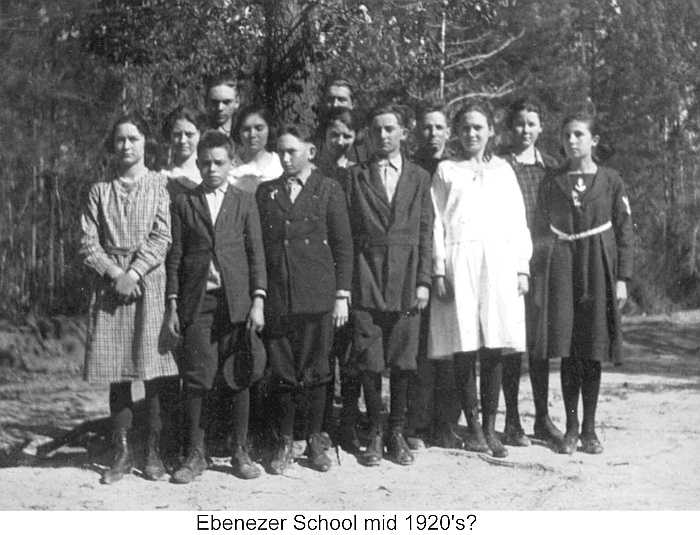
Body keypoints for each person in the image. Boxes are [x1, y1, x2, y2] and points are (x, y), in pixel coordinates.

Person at [430, 99, 532, 459]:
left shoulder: (504, 170)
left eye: (479, 127)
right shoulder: (446, 171)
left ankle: (490, 426)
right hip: (461, 260)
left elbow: (518, 221)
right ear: (457, 133)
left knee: (494, 344)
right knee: (465, 343)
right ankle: (472, 426)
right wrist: (439, 268)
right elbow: (437, 223)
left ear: (491, 131)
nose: (472, 133)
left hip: (499, 263)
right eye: (466, 128)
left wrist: (522, 267)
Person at [80, 113, 178, 484]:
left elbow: (162, 237)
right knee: (118, 375)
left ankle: (153, 451)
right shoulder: (99, 191)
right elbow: (87, 242)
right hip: (111, 289)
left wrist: (135, 272)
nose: (126, 146)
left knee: (151, 372)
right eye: (120, 139)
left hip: (149, 283)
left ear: (144, 143)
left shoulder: (159, 185)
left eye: (133, 139)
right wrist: (115, 274)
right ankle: (122, 452)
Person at [165, 130, 267, 483]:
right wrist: (173, 304)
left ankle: (240, 451)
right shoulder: (184, 202)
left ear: (232, 163)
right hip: (198, 302)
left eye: (219, 162)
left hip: (236, 302)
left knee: (238, 376)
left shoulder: (244, 201)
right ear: (197, 163)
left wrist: (258, 299)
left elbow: (256, 253)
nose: (211, 169)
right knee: (196, 377)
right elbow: (176, 256)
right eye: (205, 162)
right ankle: (195, 454)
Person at [256, 125, 353, 474]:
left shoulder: (328, 189)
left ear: (310, 152)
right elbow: (262, 250)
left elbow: (343, 245)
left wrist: (342, 294)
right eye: (280, 152)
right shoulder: (266, 192)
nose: (285, 158)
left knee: (317, 370)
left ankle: (314, 438)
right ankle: (284, 440)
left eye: (292, 152)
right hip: (281, 297)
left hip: (318, 295)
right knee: (282, 370)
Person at [534, 109, 632, 455]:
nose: (572, 141)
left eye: (579, 135)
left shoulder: (610, 180)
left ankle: (590, 428)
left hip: (598, 267)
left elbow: (624, 232)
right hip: (562, 268)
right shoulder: (552, 181)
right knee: (568, 350)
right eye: (566, 136)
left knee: (592, 349)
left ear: (594, 140)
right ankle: (571, 428)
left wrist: (622, 278)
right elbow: (539, 230)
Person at [345, 104, 433, 467]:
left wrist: (424, 281)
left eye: (390, 129)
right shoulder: (354, 176)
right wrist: (346, 285)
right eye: (377, 129)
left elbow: (427, 232)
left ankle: (397, 432)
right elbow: (347, 235)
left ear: (403, 133)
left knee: (402, 361)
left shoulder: (419, 176)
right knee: (369, 359)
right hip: (366, 275)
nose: (383, 136)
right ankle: (375, 432)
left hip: (407, 276)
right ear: (368, 133)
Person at [499, 97, 565, 449]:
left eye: (531, 123)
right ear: (511, 127)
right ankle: (511, 420)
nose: (525, 130)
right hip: (509, 263)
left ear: (541, 127)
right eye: (520, 123)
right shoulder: (500, 166)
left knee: (539, 345)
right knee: (511, 343)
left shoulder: (553, 168)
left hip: (542, 264)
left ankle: (541, 417)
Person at [405, 103, 462, 450]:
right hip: (419, 266)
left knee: (452, 347)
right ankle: (417, 422)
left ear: (448, 133)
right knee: (421, 349)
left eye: (439, 127)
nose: (433, 134)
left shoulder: (456, 168)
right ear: (416, 132)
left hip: (452, 266)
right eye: (426, 128)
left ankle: (447, 423)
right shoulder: (411, 170)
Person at [315, 107, 362, 452]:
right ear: (324, 139)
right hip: (321, 270)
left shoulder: (359, 174)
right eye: (335, 135)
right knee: (324, 348)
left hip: (354, 271)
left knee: (350, 352)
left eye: (347, 135)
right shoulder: (315, 175)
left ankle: (348, 419)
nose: (341, 142)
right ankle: (322, 422)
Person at [229, 103, 283, 193]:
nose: (252, 135)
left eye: (259, 128)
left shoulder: (281, 164)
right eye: (246, 129)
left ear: (269, 129)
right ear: (238, 132)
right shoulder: (228, 166)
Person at [162, 106, 204, 196]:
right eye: (177, 134)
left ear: (200, 134)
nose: (182, 140)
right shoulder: (162, 177)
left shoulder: (210, 175)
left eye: (189, 134)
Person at [205, 75, 240, 143]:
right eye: (214, 102)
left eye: (226, 102)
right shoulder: (196, 134)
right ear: (206, 102)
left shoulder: (245, 134)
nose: (220, 108)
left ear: (237, 102)